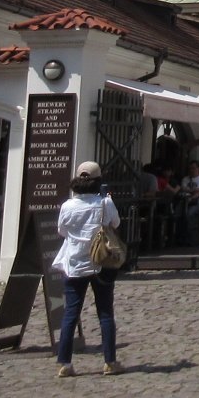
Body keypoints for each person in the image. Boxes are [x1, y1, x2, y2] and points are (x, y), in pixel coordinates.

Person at [52, 161, 122, 378]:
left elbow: (62, 231)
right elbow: (116, 224)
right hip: (100, 262)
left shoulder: (67, 206)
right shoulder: (104, 203)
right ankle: (110, 361)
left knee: (70, 313)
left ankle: (65, 362)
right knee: (105, 313)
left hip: (74, 263)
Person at [180, 159, 199, 245]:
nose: (192, 170)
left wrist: (192, 197)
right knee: (178, 214)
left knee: (190, 214)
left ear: (198, 168)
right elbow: (183, 188)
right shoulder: (185, 179)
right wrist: (196, 189)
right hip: (183, 202)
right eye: (190, 168)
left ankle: (193, 238)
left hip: (197, 203)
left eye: (193, 168)